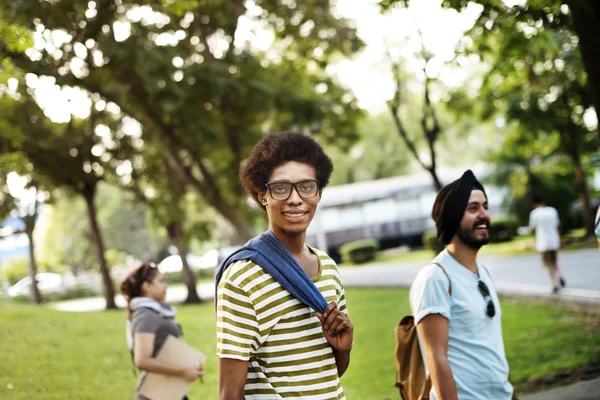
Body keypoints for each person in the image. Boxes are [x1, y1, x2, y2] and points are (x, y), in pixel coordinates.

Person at [216, 132, 353, 399]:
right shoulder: (242, 278)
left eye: (306, 186)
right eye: (281, 188)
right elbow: (229, 394)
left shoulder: (328, 268)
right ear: (262, 195)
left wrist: (343, 348)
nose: (295, 198)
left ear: (319, 193)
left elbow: (326, 375)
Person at [409, 170, 514, 400]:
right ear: (453, 217)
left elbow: (489, 345)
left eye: (485, 207)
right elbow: (436, 358)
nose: (484, 215)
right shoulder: (435, 278)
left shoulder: (483, 271)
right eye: (473, 209)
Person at [120, 263, 204, 400]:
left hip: (169, 390)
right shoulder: (145, 315)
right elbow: (142, 360)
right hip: (155, 393)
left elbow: (161, 347)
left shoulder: (154, 311)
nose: (166, 286)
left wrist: (190, 364)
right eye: (161, 281)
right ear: (146, 286)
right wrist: (182, 371)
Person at [528, 195, 565, 293]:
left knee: (548, 264)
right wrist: (560, 238)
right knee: (554, 261)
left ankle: (555, 284)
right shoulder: (552, 211)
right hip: (554, 240)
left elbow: (532, 228)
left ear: (534, 204)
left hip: (543, 242)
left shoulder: (534, 214)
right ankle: (559, 276)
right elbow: (557, 225)